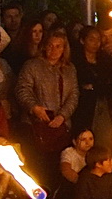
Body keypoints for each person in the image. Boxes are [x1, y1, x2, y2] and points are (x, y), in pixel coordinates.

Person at [15, 30, 78, 164]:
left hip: (61, 126)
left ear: (64, 49)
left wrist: (63, 115)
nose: (53, 50)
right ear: (44, 46)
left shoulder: (69, 69)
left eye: (58, 46)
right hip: (35, 126)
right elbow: (22, 89)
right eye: (50, 45)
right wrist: (34, 108)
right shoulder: (32, 66)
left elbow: (74, 94)